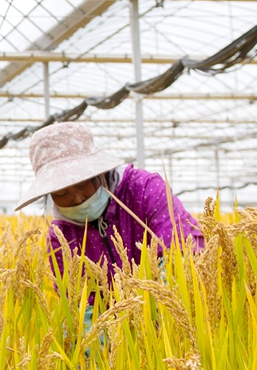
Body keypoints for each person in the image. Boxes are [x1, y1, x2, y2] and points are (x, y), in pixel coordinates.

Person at [16, 123, 203, 331]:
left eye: (82, 183)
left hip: (175, 318)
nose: (77, 198)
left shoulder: (145, 190)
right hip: (118, 334)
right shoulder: (61, 238)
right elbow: (80, 306)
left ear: (99, 172)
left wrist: (161, 314)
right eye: (61, 193)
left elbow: (179, 254)